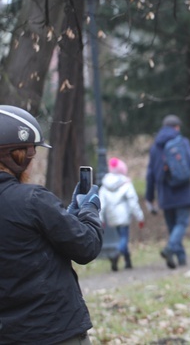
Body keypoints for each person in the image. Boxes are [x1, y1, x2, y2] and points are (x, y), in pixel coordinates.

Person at [0, 105, 103, 344]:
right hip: (53, 331)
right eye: (31, 153)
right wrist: (89, 210)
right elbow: (86, 247)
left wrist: (66, 216)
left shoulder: (32, 204)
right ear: (19, 156)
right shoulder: (32, 200)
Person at [145, 114, 190, 269]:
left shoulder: (155, 147)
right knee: (181, 224)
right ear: (177, 127)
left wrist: (149, 197)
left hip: (164, 193)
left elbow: (150, 175)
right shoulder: (183, 142)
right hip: (183, 191)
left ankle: (180, 258)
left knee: (173, 226)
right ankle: (170, 249)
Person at [99, 157, 145, 271]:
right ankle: (116, 254)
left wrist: (101, 219)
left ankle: (128, 261)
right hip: (124, 215)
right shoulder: (126, 183)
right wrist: (140, 217)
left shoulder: (105, 184)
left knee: (121, 237)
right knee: (124, 237)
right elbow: (133, 201)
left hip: (112, 216)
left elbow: (101, 204)